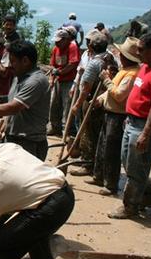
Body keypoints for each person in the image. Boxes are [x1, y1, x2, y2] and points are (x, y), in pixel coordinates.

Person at [109, 33, 151, 219]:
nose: (137, 53)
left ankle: (130, 207)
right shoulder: (145, 67)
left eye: (141, 49)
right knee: (129, 163)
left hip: (143, 125)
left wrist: (146, 133)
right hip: (132, 122)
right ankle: (147, 196)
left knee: (136, 168)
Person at [87, 37, 140, 195]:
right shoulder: (124, 70)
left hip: (118, 116)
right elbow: (112, 92)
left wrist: (106, 80)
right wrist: (100, 99)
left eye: (121, 54)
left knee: (111, 150)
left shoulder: (131, 74)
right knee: (102, 146)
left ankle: (110, 184)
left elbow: (118, 95)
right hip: (110, 112)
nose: (119, 56)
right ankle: (98, 176)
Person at [69, 32, 110, 176]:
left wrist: (77, 104)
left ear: (91, 46)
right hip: (104, 101)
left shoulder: (95, 63)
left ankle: (87, 165)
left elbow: (86, 87)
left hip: (92, 101)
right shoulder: (110, 59)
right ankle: (95, 164)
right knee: (97, 134)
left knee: (88, 133)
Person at [48, 28, 80, 137]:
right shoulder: (55, 49)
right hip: (58, 80)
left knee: (67, 105)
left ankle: (66, 130)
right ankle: (54, 126)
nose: (56, 43)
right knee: (53, 103)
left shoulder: (72, 47)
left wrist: (60, 72)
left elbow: (72, 64)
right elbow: (52, 65)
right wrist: (52, 78)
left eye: (59, 41)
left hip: (69, 81)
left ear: (66, 40)